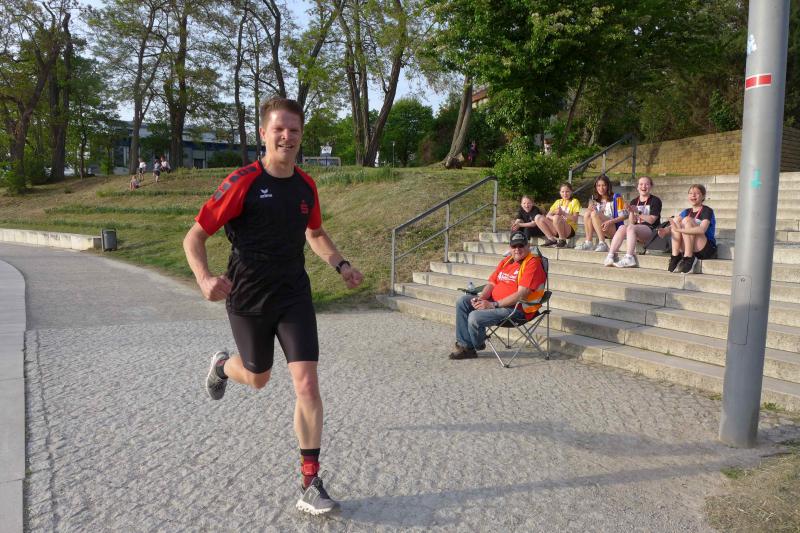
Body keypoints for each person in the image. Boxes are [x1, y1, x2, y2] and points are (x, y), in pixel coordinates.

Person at [183, 97, 364, 516]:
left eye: (294, 130)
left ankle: (310, 482)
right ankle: (222, 366)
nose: (287, 136)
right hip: (248, 297)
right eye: (279, 129)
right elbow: (194, 237)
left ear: (301, 136)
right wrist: (205, 278)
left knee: (307, 385)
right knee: (258, 377)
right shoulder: (242, 182)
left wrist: (341, 265)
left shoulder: (306, 185)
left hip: (293, 295)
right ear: (263, 133)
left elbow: (314, 233)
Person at [449, 231, 547, 360]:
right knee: (462, 301)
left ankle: (475, 345)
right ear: (510, 247)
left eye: (521, 246)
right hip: (494, 304)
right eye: (514, 246)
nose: (517, 249)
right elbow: (491, 284)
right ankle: (465, 347)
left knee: (475, 316)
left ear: (528, 246)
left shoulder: (532, 263)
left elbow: (521, 294)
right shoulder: (506, 261)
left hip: (516, 310)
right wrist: (481, 298)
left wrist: (492, 305)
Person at [603, 176, 662, 268]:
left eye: (646, 184)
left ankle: (629, 257)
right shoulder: (634, 201)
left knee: (631, 228)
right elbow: (632, 221)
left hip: (651, 230)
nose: (643, 186)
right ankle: (611, 255)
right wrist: (631, 211)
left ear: (651, 186)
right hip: (636, 229)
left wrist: (638, 212)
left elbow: (652, 220)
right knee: (622, 227)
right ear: (637, 187)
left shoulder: (655, 200)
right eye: (641, 184)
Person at [656, 183, 717, 273]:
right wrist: (665, 231)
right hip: (688, 247)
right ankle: (675, 256)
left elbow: (702, 230)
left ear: (703, 196)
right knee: (677, 220)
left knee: (687, 220)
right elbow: (674, 226)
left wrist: (679, 230)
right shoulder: (686, 211)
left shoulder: (707, 210)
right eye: (690, 193)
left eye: (697, 193)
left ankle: (689, 257)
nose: (693, 195)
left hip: (705, 249)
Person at [574, 174, 624, 252]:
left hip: (614, 228)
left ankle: (602, 243)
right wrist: (590, 208)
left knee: (594, 213)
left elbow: (625, 216)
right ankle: (588, 242)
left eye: (604, 185)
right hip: (600, 228)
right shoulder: (594, 199)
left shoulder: (617, 197)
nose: (601, 188)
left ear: (608, 186)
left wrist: (610, 221)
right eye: (598, 186)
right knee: (588, 213)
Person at [534, 182, 581, 248]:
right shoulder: (558, 202)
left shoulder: (575, 201)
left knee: (556, 217)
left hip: (569, 230)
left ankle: (562, 240)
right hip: (556, 227)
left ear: (571, 192)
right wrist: (555, 217)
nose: (565, 194)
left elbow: (575, 219)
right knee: (538, 217)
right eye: (563, 192)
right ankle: (551, 239)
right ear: (560, 193)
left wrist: (562, 213)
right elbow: (547, 216)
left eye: (567, 191)